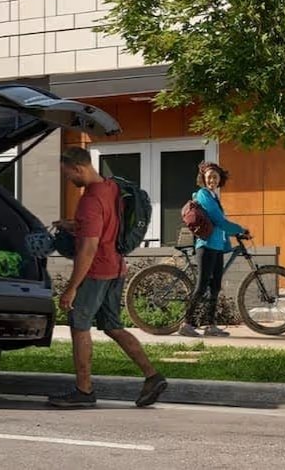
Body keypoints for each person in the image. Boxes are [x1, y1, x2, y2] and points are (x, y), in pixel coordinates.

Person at [48, 147, 167, 409]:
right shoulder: (112, 187)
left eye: (68, 174)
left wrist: (71, 288)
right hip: (117, 267)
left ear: (78, 168)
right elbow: (106, 224)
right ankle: (153, 376)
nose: (68, 180)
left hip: (96, 271)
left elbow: (89, 249)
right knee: (113, 326)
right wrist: (73, 225)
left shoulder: (89, 200)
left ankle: (84, 390)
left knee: (79, 326)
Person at [181, 162, 248, 338]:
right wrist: (240, 229)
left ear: (220, 179)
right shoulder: (203, 194)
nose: (212, 180)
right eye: (209, 177)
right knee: (202, 285)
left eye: (215, 177)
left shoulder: (214, 196)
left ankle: (210, 325)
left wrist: (233, 236)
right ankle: (186, 324)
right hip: (206, 246)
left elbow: (219, 226)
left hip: (217, 246)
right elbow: (219, 221)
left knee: (215, 286)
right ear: (203, 179)